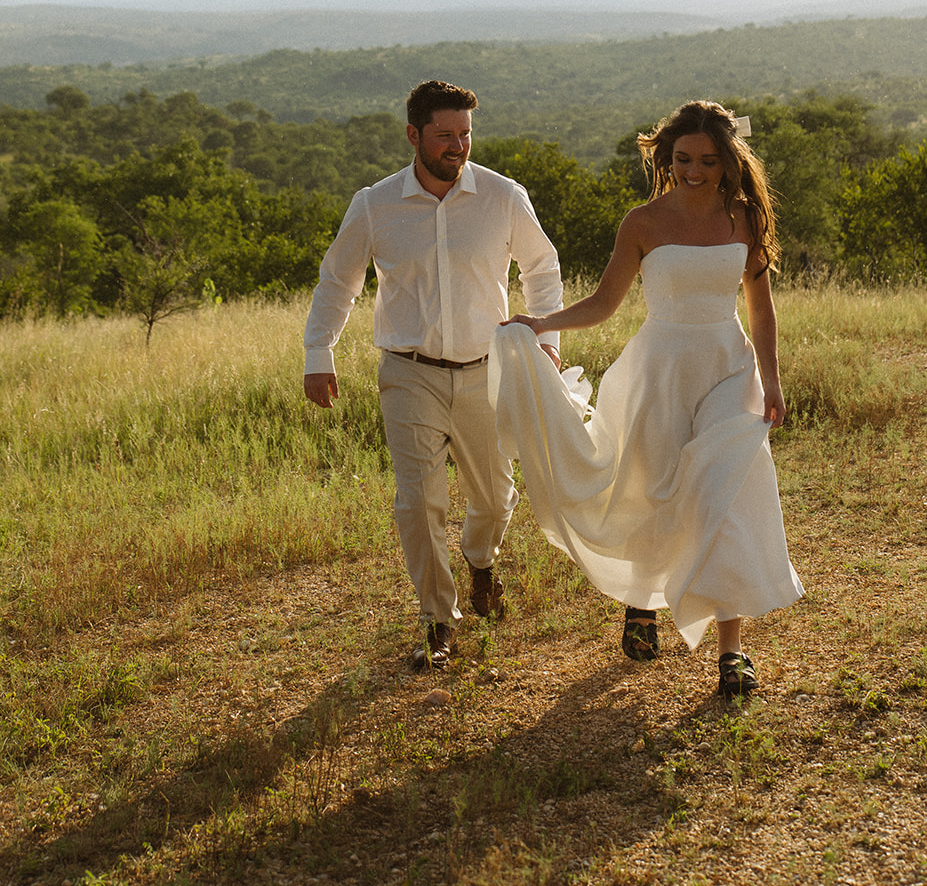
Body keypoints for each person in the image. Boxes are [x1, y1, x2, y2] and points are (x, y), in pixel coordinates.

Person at [492, 100, 803, 697]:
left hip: (728, 370)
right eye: (684, 159)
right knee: (653, 489)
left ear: (726, 161)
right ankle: (641, 601)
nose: (695, 170)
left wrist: (772, 379)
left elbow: (761, 312)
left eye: (709, 160)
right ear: (666, 158)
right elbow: (605, 303)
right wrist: (540, 323)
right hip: (658, 371)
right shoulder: (642, 223)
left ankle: (730, 651)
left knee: (725, 499)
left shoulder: (744, 220)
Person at [303, 80, 563, 672]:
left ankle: (481, 564)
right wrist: (319, 351)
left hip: (486, 370)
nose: (458, 145)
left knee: (495, 500)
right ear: (414, 135)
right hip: (409, 372)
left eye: (466, 133)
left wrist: (545, 338)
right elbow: (337, 281)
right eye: (445, 134)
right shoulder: (374, 204)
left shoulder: (503, 196)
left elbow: (542, 265)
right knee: (419, 501)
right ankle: (437, 619)